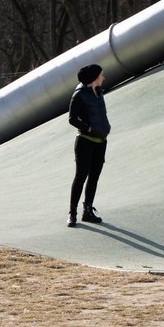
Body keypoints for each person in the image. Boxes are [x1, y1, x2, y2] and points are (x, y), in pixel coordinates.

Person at [67, 64, 110, 227]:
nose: (103, 77)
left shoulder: (99, 92)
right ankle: (72, 213)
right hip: (85, 142)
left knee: (94, 177)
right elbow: (72, 119)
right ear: (94, 78)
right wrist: (89, 128)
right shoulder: (79, 95)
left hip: (101, 142)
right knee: (81, 177)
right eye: (101, 75)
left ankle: (87, 211)